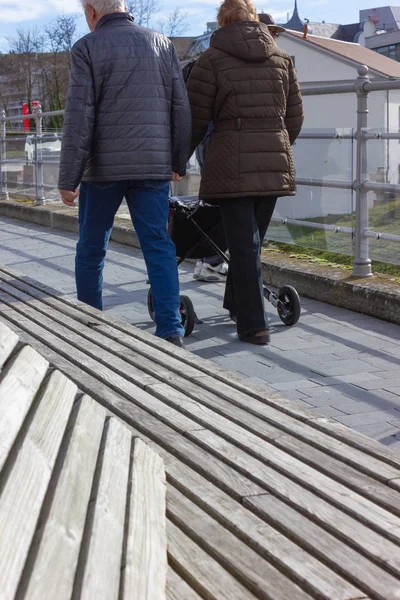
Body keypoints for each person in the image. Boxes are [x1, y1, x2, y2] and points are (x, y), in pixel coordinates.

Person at [58, 0, 191, 348]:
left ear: (91, 12)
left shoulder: (87, 48)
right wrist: (179, 161)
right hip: (152, 163)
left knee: (91, 247)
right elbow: (180, 106)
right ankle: (170, 330)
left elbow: (79, 117)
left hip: (103, 169)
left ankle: (91, 327)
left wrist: (67, 179)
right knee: (158, 245)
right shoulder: (162, 43)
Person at [187, 0, 303, 345]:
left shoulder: (211, 60)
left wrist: (179, 160)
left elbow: (195, 120)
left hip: (230, 164)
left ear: (221, 21)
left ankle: (254, 326)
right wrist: (275, 144)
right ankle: (237, 306)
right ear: (254, 19)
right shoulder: (282, 59)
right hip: (273, 163)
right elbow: (294, 117)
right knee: (250, 244)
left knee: (244, 245)